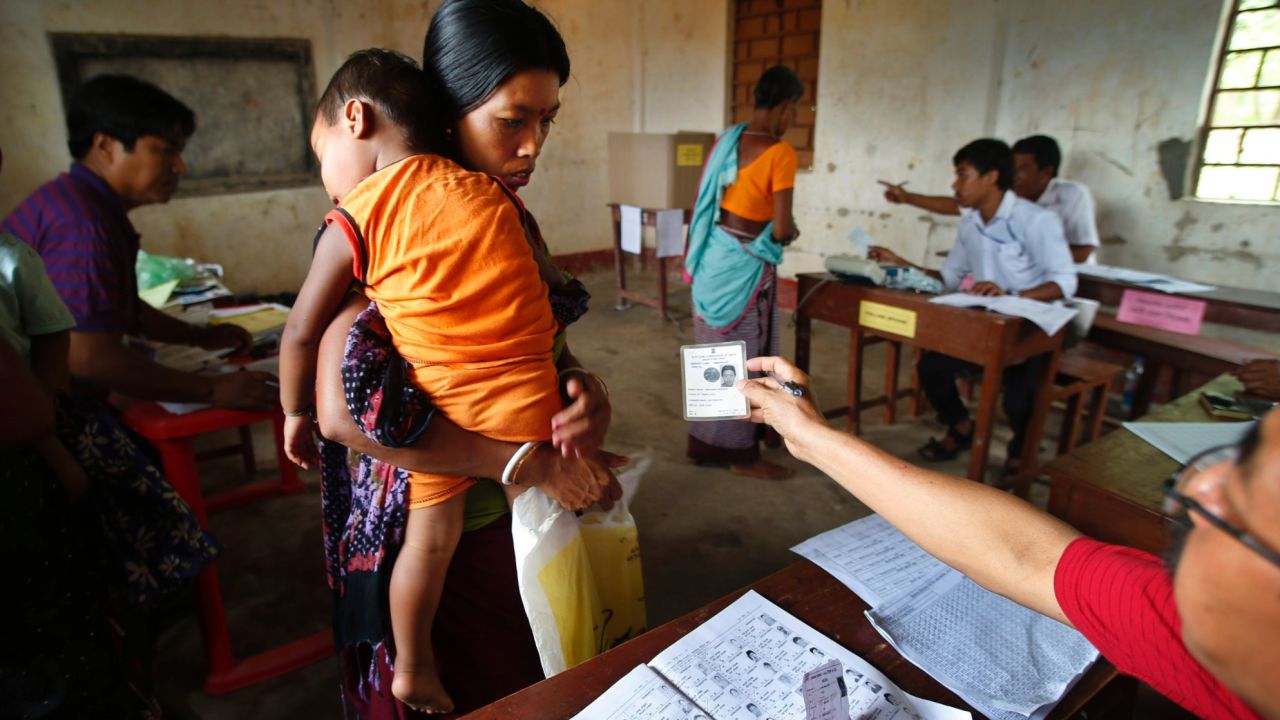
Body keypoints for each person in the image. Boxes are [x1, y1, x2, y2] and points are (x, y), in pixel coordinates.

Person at [308, 2, 620, 716]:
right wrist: (523, 464)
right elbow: (340, 415)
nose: (534, 146)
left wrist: (580, 388)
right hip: (439, 535)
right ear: (450, 115)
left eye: (548, 120)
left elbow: (534, 344)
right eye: (513, 121)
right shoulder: (390, 231)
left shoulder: (508, 219)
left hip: (523, 512)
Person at [738, 354, 1277, 720]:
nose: (1198, 483)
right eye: (1245, 452)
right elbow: (1026, 558)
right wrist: (811, 438)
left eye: (1246, 506)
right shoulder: (1210, 623)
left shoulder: (1232, 632)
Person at [1, 74, 275, 410]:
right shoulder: (84, 226)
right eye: (165, 150)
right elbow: (87, 356)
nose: (179, 166)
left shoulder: (79, 202)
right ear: (105, 146)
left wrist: (199, 337)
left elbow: (117, 308)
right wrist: (213, 389)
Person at [869, 139, 1075, 473]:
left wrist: (1014, 297)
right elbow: (949, 279)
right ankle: (961, 427)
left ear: (991, 177)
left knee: (1020, 396)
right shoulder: (970, 224)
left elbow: (1065, 282)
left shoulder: (1036, 220)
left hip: (1032, 326)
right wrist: (900, 263)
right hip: (988, 322)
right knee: (932, 368)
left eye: (963, 175)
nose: (955, 185)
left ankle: (1021, 449)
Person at [685, 65, 803, 481]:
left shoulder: (728, 140)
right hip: (746, 266)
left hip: (714, 257)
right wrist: (788, 234)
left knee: (712, 357)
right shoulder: (780, 152)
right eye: (794, 112)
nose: (792, 121)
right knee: (745, 360)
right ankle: (740, 454)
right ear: (785, 107)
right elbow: (784, 227)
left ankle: (706, 443)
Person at [879, 134, 1100, 263]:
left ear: (1046, 172)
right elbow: (957, 205)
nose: (1014, 175)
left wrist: (1020, 255)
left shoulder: (1072, 195)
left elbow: (1083, 252)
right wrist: (907, 198)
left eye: (1022, 169)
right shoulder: (1006, 196)